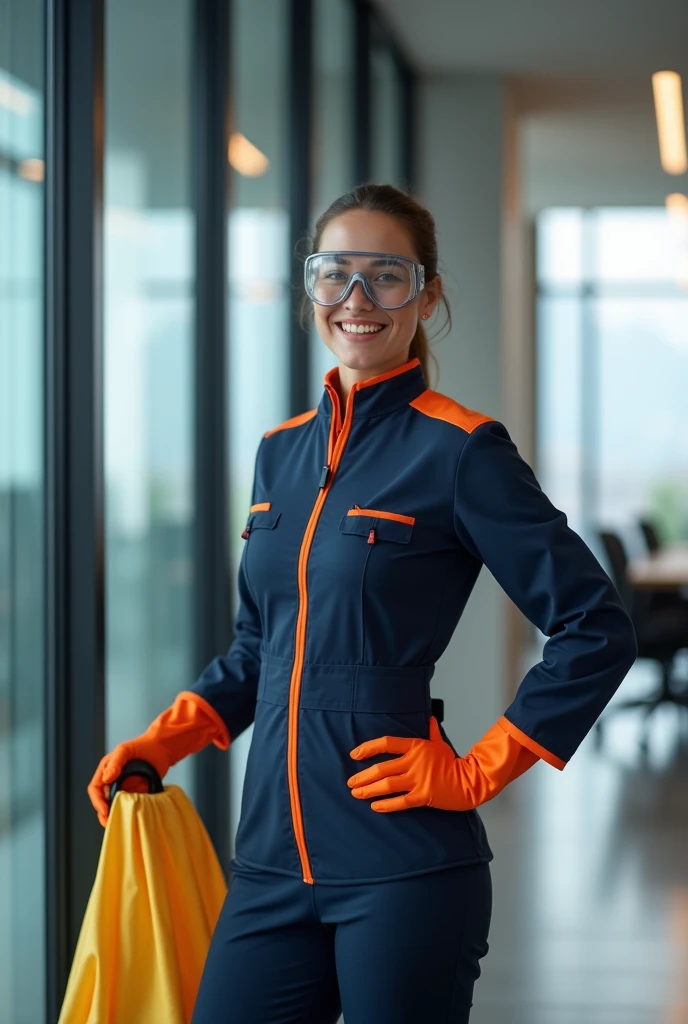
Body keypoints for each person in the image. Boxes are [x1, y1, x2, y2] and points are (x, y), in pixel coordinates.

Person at [88, 183, 638, 1023]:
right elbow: (258, 646)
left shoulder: (462, 450)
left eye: (386, 275)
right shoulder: (278, 454)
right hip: (269, 861)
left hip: (404, 868)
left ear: (428, 294)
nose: (357, 299)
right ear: (310, 290)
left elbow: (594, 625)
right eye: (335, 273)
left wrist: (479, 769)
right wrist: (163, 742)